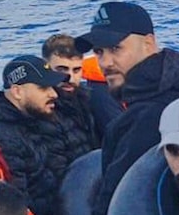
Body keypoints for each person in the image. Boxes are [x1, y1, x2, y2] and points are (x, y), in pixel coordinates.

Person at [75, 1, 179, 215]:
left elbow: (118, 192)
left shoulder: (148, 117)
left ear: (148, 43)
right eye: (99, 52)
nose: (105, 62)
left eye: (116, 48)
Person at [0, 55, 72, 215]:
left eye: (52, 87)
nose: (53, 94)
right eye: (43, 88)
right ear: (17, 92)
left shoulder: (30, 118)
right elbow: (20, 199)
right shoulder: (4, 137)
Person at [41, 34, 121, 172]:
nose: (70, 78)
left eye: (76, 70)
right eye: (62, 69)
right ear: (45, 67)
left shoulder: (90, 99)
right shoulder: (38, 108)